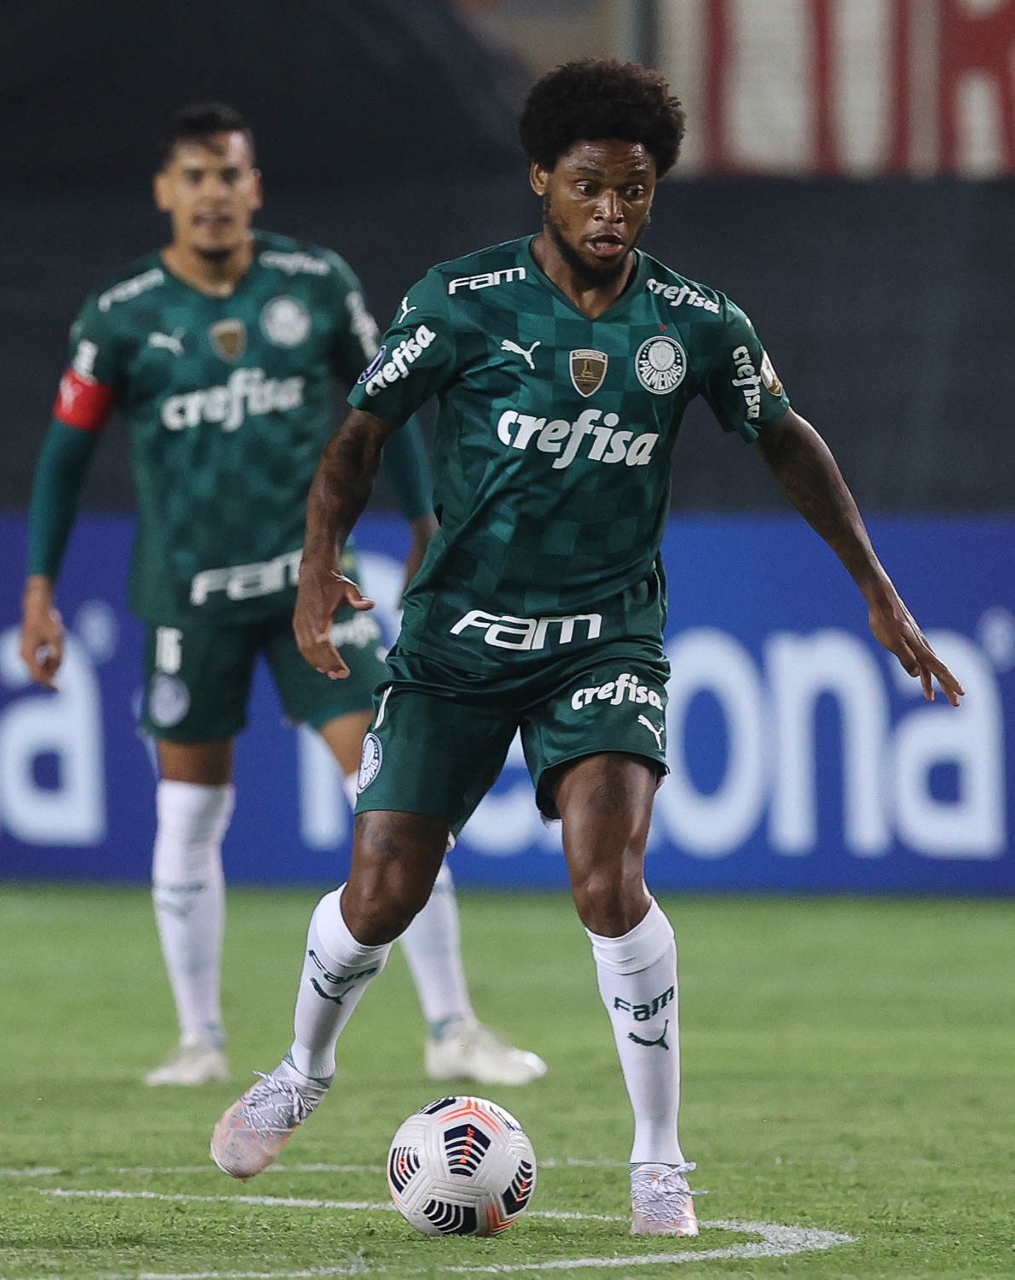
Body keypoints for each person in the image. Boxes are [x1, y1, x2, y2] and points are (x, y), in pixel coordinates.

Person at [208, 62, 963, 1234]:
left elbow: (785, 437)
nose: (611, 211)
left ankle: (658, 1157)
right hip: (456, 642)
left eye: (634, 189)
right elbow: (360, 434)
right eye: (588, 186)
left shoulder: (695, 321)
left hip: (603, 641)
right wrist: (319, 559)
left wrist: (875, 586)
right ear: (541, 180)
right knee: (381, 891)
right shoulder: (462, 300)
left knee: (610, 883)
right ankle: (303, 1066)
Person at [19, 103, 547, 1091]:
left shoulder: (314, 283)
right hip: (188, 597)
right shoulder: (120, 313)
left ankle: (452, 1025)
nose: (213, 193)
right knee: (190, 813)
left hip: (316, 587)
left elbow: (385, 403)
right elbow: (64, 455)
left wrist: (425, 522)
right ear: (165, 191)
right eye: (194, 175)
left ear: (253, 186)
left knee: (397, 795)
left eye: (229, 173)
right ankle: (199, 1039)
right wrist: (40, 588)